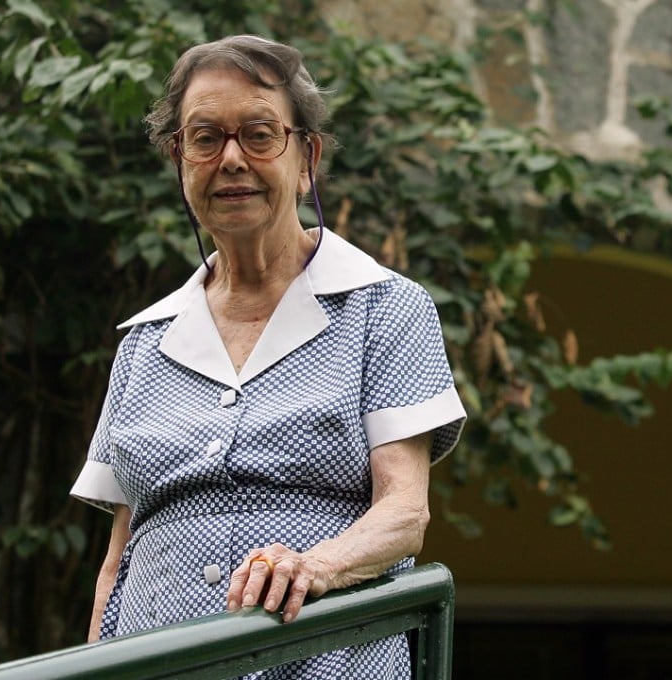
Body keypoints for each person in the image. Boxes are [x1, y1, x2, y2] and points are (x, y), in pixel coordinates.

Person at [69, 34, 466, 679]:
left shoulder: (384, 308)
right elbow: (116, 563)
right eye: (204, 138)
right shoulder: (144, 344)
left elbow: (404, 513)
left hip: (327, 659)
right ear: (180, 160)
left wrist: (313, 566)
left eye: (258, 134)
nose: (231, 160)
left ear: (306, 157)